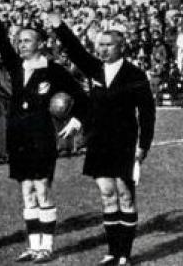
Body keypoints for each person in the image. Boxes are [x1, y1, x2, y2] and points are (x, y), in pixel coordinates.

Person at [0, 8, 89, 263]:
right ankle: (33, 246)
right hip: (18, 135)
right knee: (27, 191)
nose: (21, 45)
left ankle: (47, 247)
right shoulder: (16, 66)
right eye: (19, 41)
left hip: (41, 135)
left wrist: (75, 121)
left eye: (27, 40)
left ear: (41, 44)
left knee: (42, 190)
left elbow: (83, 98)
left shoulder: (54, 70)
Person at [50, 15, 155, 266]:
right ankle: (112, 252)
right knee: (107, 194)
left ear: (121, 47)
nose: (103, 49)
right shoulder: (95, 69)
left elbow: (148, 113)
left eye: (108, 45)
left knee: (125, 195)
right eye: (100, 45)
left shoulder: (135, 74)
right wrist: (56, 20)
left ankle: (125, 255)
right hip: (98, 141)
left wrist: (143, 146)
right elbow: (74, 49)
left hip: (124, 142)